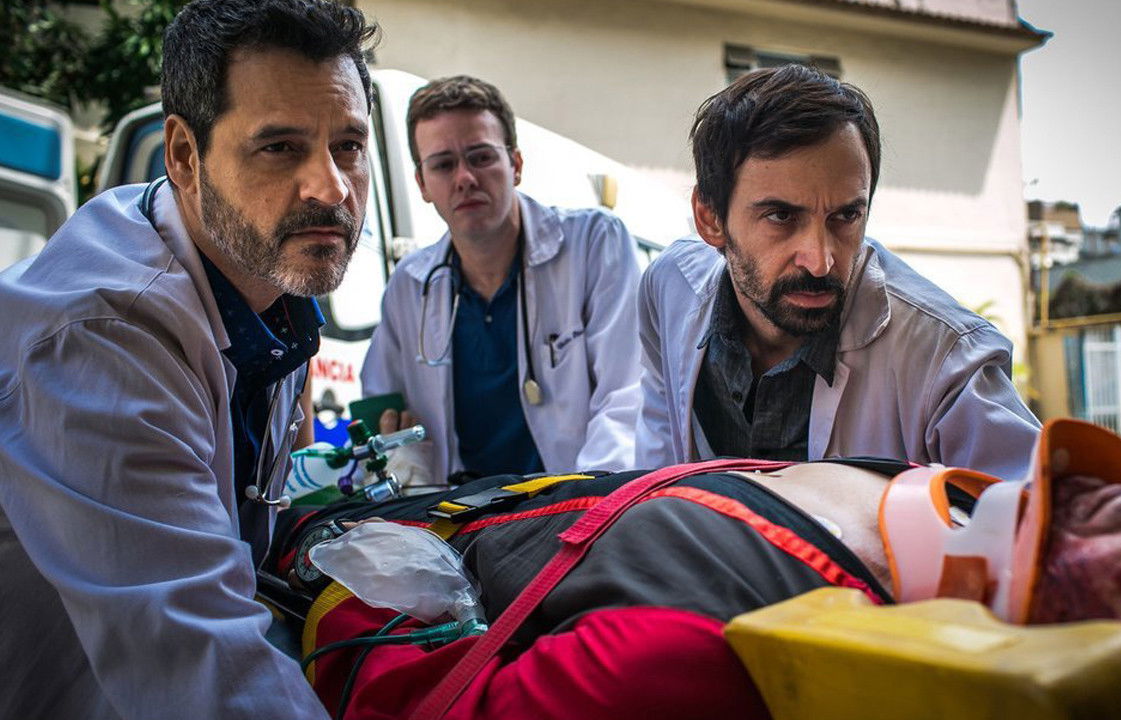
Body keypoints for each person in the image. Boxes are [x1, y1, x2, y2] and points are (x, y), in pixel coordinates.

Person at [269, 419, 1121, 720]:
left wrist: (355, 576)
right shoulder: (903, 498)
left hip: (330, 574)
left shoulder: (691, 663)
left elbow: (385, 696)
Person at [0, 1, 378, 718]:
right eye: (280, 147)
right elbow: (209, 673)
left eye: (349, 145)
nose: (331, 187)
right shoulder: (99, 338)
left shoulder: (264, 290)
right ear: (182, 156)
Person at [635, 64, 1041, 479]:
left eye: (846, 216)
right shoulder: (669, 287)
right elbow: (654, 463)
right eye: (781, 216)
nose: (821, 260)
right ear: (710, 219)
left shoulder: (946, 360)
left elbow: (1032, 505)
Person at [360, 76, 643, 487]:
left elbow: (626, 396)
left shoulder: (594, 244)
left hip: (575, 501)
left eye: (481, 157)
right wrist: (405, 469)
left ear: (516, 165)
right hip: (458, 510)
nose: (465, 178)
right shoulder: (409, 285)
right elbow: (382, 408)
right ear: (422, 184)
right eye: (443, 164)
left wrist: (586, 497)